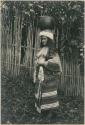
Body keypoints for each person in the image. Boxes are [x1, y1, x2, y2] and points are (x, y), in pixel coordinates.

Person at [33, 30, 62, 115]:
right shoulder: (41, 49)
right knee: (41, 93)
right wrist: (37, 62)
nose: (43, 41)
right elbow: (37, 60)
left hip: (50, 77)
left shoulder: (53, 51)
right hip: (41, 75)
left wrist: (44, 63)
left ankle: (50, 113)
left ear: (49, 40)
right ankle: (43, 110)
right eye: (42, 39)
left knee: (49, 93)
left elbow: (56, 64)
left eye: (45, 39)